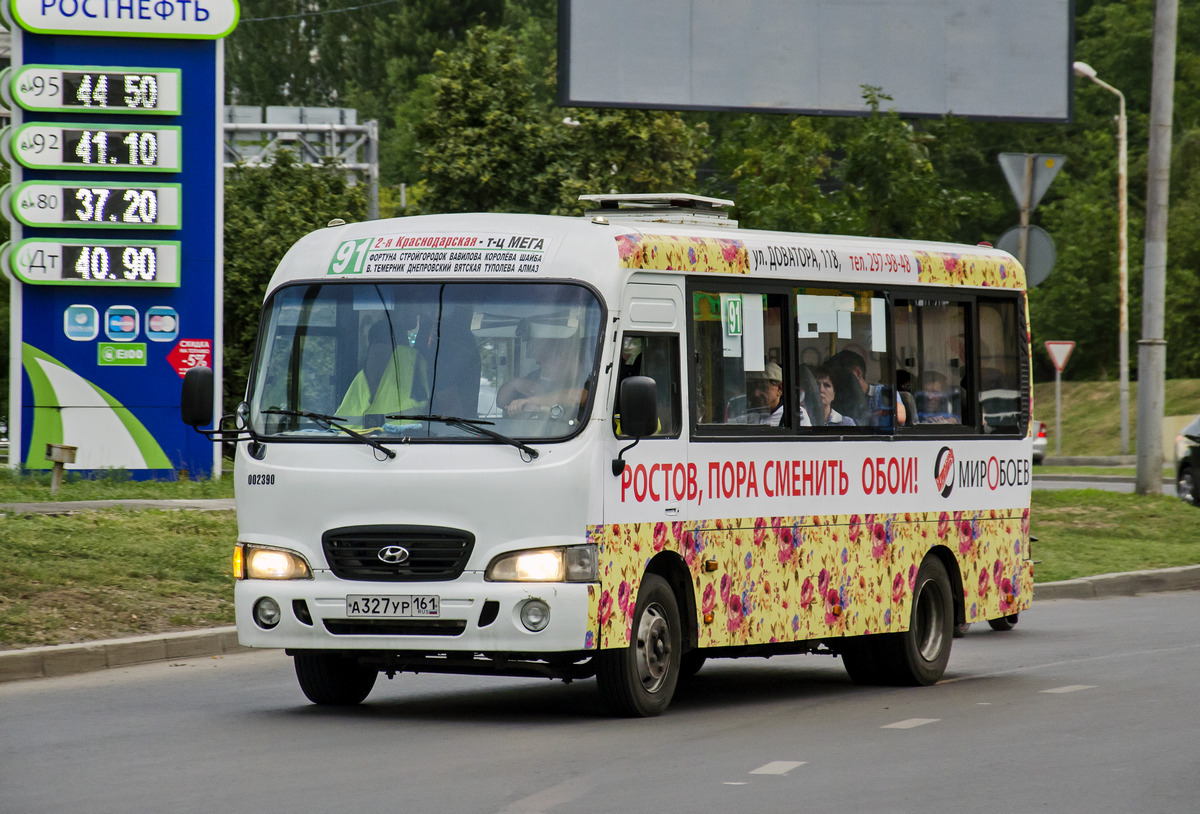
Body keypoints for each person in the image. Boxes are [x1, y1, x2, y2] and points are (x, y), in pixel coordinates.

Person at [335, 319, 430, 423]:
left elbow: (341, 421)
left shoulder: (359, 379)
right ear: (403, 340)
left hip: (350, 434)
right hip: (408, 433)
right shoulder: (412, 358)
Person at [497, 336, 588, 418]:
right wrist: (514, 384)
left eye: (547, 360)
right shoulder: (536, 376)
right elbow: (500, 402)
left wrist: (535, 401)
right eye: (540, 363)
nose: (543, 366)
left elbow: (580, 396)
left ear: (566, 356)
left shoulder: (587, 376)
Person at [828, 349, 905, 427]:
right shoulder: (838, 398)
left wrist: (869, 418)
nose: (837, 380)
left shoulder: (882, 392)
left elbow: (899, 416)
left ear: (858, 373)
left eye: (841, 375)